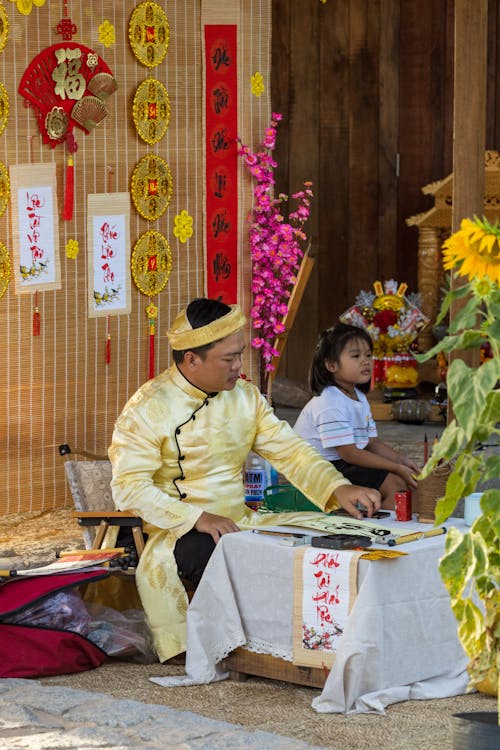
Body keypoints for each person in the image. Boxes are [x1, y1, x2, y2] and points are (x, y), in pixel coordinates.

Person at [109, 299, 381, 662]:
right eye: (228, 359)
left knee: (331, 538)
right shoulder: (148, 406)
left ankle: (328, 644)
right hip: (175, 530)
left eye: (240, 355)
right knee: (224, 550)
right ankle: (255, 651)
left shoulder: (246, 398)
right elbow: (128, 487)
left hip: (241, 519)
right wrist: (198, 518)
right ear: (191, 359)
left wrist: (337, 487)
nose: (239, 366)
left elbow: (290, 450)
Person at [294, 323, 419, 508]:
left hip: (341, 463)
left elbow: (372, 443)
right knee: (394, 483)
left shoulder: (358, 397)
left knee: (404, 480)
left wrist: (402, 461)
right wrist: (395, 467)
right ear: (331, 364)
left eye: (368, 355)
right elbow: (350, 454)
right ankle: (385, 532)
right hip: (318, 470)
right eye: (356, 356)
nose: (365, 361)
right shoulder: (329, 402)